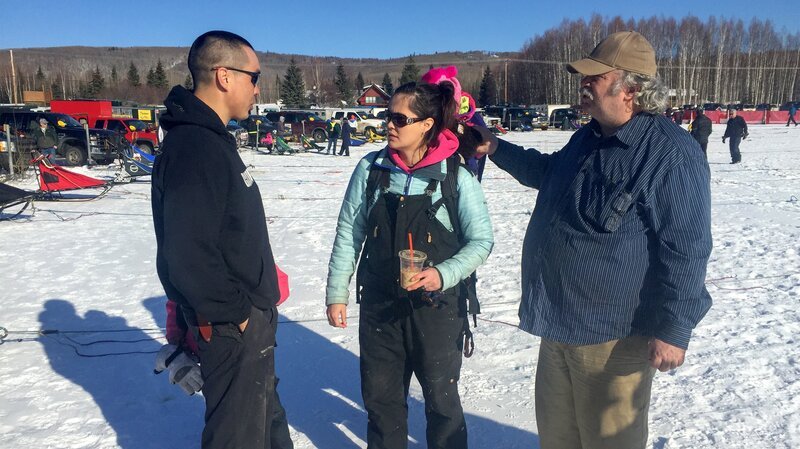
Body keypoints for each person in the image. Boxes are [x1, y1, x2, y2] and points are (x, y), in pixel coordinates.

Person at [475, 31, 712, 449]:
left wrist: (675, 329)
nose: (583, 84)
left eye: (595, 77)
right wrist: (496, 147)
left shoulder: (670, 154)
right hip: (558, 323)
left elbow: (687, 250)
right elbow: (548, 173)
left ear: (631, 89)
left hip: (614, 339)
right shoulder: (588, 137)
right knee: (558, 439)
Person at [325, 80, 494, 449]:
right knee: (381, 402)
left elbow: (482, 241)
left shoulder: (455, 176)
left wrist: (442, 274)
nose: (389, 124)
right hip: (381, 305)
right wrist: (337, 292)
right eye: (388, 116)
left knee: (442, 403)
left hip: (437, 309)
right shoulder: (371, 169)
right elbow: (349, 233)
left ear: (426, 125)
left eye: (400, 119)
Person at [151, 30, 286, 449]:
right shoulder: (194, 148)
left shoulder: (211, 140)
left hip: (245, 323)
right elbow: (187, 253)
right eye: (254, 77)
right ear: (224, 76)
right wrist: (237, 315)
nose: (257, 89)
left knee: (265, 428)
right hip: (231, 327)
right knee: (237, 437)